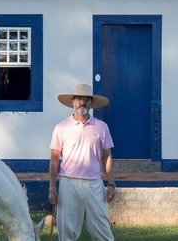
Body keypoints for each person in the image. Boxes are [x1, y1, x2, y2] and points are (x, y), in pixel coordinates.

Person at [49, 83, 116, 241]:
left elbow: (107, 156)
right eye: (79, 99)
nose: (82, 103)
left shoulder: (101, 127)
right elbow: (54, 160)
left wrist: (111, 183)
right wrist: (52, 187)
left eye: (86, 100)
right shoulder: (61, 127)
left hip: (94, 183)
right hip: (68, 183)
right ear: (73, 102)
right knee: (67, 231)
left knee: (102, 230)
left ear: (91, 103)